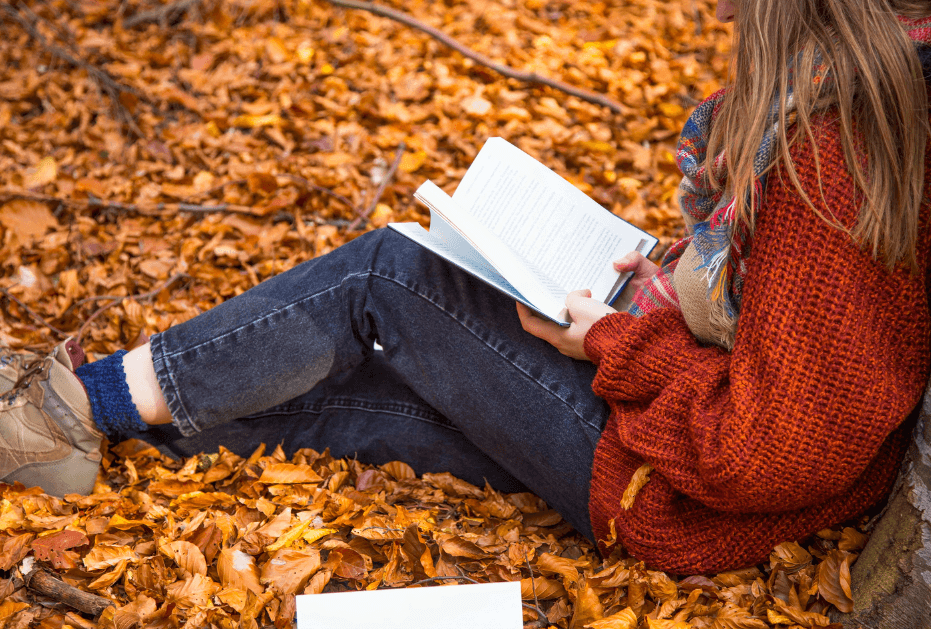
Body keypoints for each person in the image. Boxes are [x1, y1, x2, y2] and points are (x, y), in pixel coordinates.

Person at [1, 0, 930, 575]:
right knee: (388, 385)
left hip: (677, 502)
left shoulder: (827, 154)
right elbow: (785, 338)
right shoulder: (833, 115)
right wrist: (660, 294)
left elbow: (766, 452)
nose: (707, 13)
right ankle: (90, 438)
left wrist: (613, 341)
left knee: (388, 276)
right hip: (684, 479)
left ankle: (75, 404)